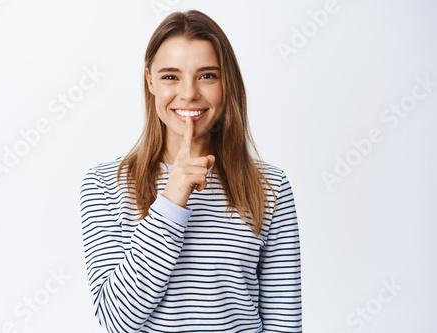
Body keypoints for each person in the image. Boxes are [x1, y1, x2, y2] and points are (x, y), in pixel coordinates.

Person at [80, 9, 302, 332]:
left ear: (227, 83)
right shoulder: (103, 185)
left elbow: (284, 323)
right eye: (171, 76)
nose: (189, 94)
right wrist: (172, 199)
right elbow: (117, 321)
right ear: (150, 81)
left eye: (207, 75)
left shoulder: (270, 187)